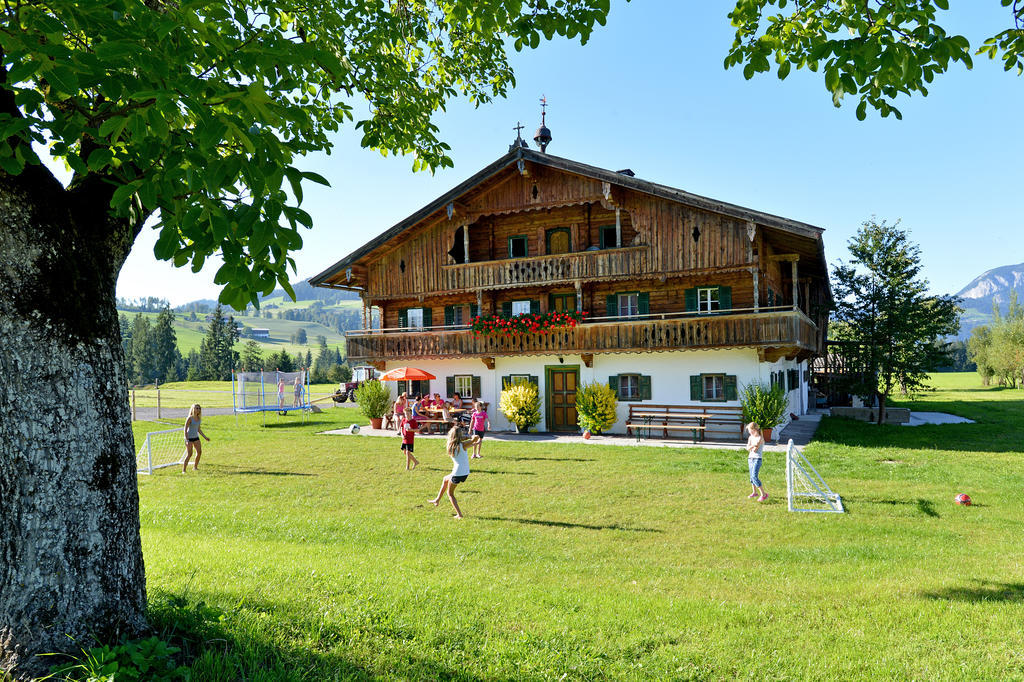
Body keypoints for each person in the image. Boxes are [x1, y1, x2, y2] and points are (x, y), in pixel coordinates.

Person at [430, 424, 480, 520]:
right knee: (445, 479)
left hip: (458, 473)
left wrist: (467, 439)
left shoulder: (449, 445)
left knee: (450, 494)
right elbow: (475, 438)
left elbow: (467, 441)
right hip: (464, 472)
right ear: (460, 435)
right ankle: (437, 500)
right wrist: (471, 437)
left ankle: (459, 515)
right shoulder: (464, 444)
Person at [181, 404, 211, 473]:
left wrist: (205, 437)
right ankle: (184, 470)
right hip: (189, 438)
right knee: (189, 454)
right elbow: (185, 429)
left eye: (199, 408)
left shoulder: (199, 419)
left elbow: (199, 429)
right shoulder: (190, 418)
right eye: (196, 408)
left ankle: (195, 467)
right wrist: (187, 439)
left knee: (199, 452)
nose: (198, 409)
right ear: (193, 409)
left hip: (196, 438)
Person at [745, 422, 767, 502]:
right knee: (751, 477)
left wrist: (753, 446)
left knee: (754, 477)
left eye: (749, 430)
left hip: (757, 459)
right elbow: (747, 448)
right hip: (750, 458)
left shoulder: (760, 438)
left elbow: (754, 450)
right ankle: (754, 492)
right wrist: (753, 445)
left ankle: (764, 494)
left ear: (754, 429)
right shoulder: (751, 437)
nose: (749, 432)